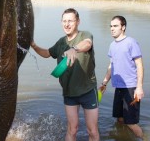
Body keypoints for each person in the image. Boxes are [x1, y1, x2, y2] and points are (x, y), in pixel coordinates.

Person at [31, 8, 99, 141]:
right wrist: (33, 45)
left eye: (70, 21)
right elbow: (47, 53)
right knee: (72, 129)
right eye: (64, 21)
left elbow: (87, 44)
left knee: (92, 130)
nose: (67, 24)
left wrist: (74, 49)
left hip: (88, 91)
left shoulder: (85, 35)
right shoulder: (61, 42)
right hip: (69, 93)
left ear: (78, 22)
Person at [100, 15, 144, 138]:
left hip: (131, 88)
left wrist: (139, 87)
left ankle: (144, 139)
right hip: (118, 87)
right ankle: (123, 137)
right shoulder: (112, 45)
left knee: (131, 123)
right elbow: (111, 66)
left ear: (123, 27)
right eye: (111, 26)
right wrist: (104, 83)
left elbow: (139, 65)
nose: (112, 29)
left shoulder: (131, 42)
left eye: (115, 26)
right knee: (119, 119)